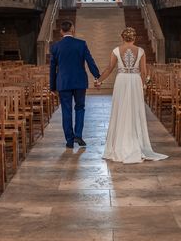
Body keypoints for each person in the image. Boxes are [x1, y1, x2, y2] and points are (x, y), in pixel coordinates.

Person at [95, 27, 168, 163]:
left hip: (122, 80)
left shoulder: (116, 51)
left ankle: (120, 144)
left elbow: (109, 69)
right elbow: (144, 72)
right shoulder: (140, 51)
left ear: (122, 37)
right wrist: (144, 85)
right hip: (135, 81)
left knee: (120, 110)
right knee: (135, 111)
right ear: (134, 38)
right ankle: (135, 142)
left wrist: (99, 81)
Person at [50, 20, 101, 149]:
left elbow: (52, 68)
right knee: (80, 108)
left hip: (63, 82)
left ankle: (69, 140)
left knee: (66, 110)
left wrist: (52, 87)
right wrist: (97, 76)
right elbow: (90, 61)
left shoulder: (56, 46)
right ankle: (78, 134)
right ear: (72, 30)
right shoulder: (81, 44)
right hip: (79, 82)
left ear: (61, 31)